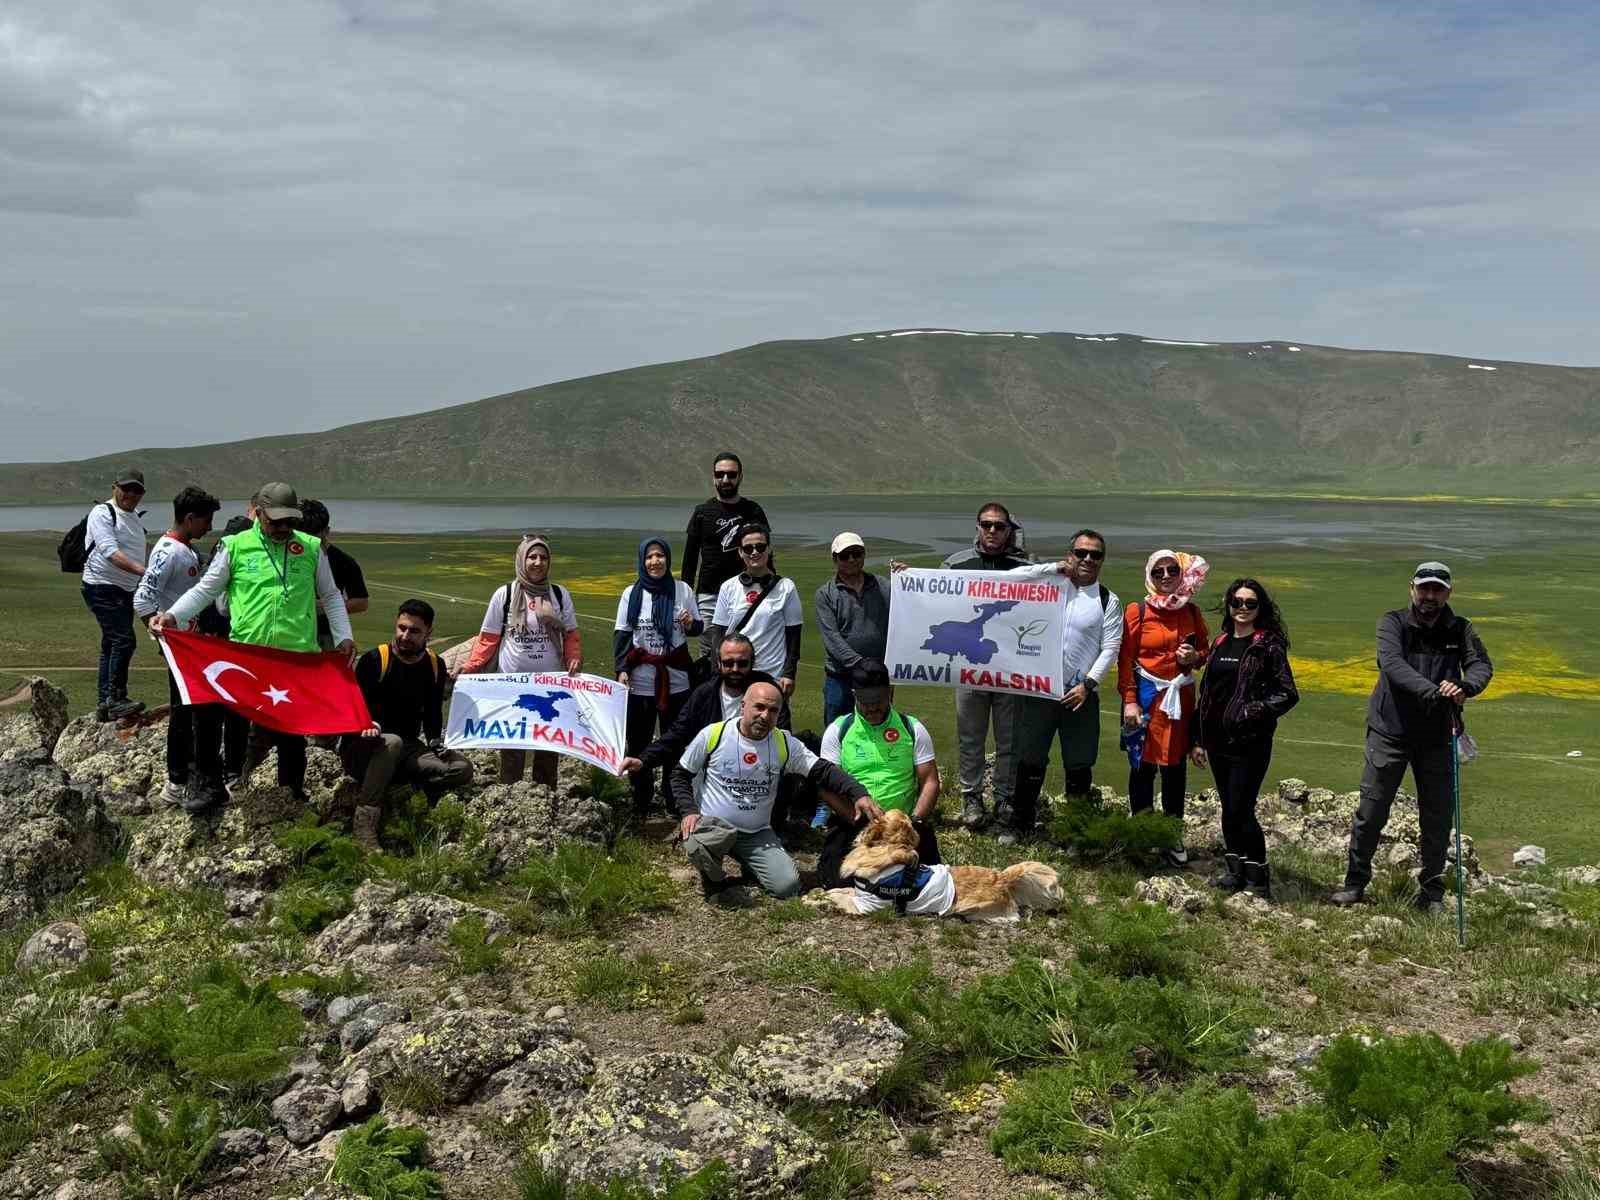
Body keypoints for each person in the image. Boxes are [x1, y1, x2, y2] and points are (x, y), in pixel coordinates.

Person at [152, 481, 354, 803]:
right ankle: (210, 784)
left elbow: (330, 595)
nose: (283, 528)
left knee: (292, 731)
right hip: (245, 653)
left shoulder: (311, 548)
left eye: (290, 521)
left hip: (295, 657)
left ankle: (290, 794)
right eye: (275, 521)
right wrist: (172, 616)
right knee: (213, 710)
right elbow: (206, 590)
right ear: (258, 514)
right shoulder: (234, 546)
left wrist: (344, 635)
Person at [1330, 562, 1493, 913]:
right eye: (1424, 589)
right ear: (1412, 589)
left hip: (1437, 738)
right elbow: (1391, 664)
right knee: (1371, 812)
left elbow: (1481, 665)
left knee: (1437, 818)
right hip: (1390, 732)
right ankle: (1355, 883)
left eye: (1437, 590)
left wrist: (1466, 686)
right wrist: (1435, 691)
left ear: (1448, 592)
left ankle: (1431, 893)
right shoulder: (1393, 623)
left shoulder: (1460, 629)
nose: (1430, 596)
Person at [661, 681, 872, 900]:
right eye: (759, 707)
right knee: (697, 844)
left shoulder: (784, 743)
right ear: (743, 706)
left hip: (756, 832)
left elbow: (823, 771)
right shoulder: (714, 734)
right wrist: (689, 811)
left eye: (773, 710)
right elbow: (680, 774)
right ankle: (715, 880)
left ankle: (751, 864)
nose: (765, 715)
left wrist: (858, 793)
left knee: (787, 887)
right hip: (715, 826)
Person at [1003, 530, 1123, 842]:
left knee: (1079, 763)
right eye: (1081, 552)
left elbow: (1110, 648)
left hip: (1080, 695)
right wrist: (1050, 569)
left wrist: (1088, 685)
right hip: (1039, 692)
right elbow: (1010, 579)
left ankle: (1076, 832)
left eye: (1095, 555)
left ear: (1102, 560)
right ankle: (1020, 824)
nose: (1087, 559)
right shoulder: (1047, 586)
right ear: (1069, 554)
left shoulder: (1108, 600)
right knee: (1030, 758)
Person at [1192, 578, 1298, 899]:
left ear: (1259, 608)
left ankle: (1258, 877)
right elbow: (1207, 693)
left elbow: (1287, 693)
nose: (1242, 608)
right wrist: (1197, 739)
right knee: (1228, 807)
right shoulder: (1221, 641)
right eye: (1237, 601)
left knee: (1242, 807)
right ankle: (1234, 871)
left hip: (1250, 742)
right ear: (1228, 604)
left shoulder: (1267, 644)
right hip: (1217, 741)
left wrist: (1252, 711)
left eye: (1250, 603)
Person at [344, 599, 473, 850]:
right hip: (365, 747)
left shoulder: (435, 665)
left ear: (428, 633)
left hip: (408, 749)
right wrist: (366, 724)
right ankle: (364, 826)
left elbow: (433, 712)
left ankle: (407, 792)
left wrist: (436, 741)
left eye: (414, 631)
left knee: (461, 768)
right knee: (392, 742)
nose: (405, 636)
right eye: (402, 628)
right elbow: (352, 706)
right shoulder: (374, 660)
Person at [457, 533, 582, 787]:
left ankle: (545, 794)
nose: (538, 563)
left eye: (543, 557)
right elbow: (488, 638)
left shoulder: (559, 595)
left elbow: (570, 634)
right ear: (521, 559)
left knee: (548, 743)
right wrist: (470, 667)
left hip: (550, 683)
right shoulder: (504, 595)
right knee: (513, 745)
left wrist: (574, 657)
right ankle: (509, 792)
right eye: (532, 557)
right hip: (511, 684)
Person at [132, 485, 224, 810]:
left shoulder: (184, 549)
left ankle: (185, 777)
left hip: (193, 644)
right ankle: (175, 781)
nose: (210, 527)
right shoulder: (168, 552)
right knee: (184, 713)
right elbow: (143, 598)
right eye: (206, 520)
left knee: (194, 711)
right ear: (189, 518)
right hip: (181, 646)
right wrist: (163, 639)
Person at [1118, 549, 1210, 864]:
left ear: (1181, 574)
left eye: (1173, 570)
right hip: (1144, 698)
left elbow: (1205, 652)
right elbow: (1126, 659)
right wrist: (1129, 700)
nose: (1167, 577)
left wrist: (1193, 658)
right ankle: (1143, 833)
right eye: (1159, 572)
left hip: (1179, 700)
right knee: (1141, 768)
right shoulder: (1137, 612)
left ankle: (1171, 835)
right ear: (1150, 576)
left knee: (1175, 769)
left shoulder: (1192, 613)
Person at [815, 660, 941, 889]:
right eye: (865, 702)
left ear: (890, 692)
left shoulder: (912, 728)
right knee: (837, 882)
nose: (872, 708)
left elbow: (930, 781)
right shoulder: (838, 730)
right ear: (854, 695)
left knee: (928, 883)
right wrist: (853, 818)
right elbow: (826, 785)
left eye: (879, 702)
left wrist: (914, 821)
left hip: (904, 825)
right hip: (854, 823)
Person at [942, 502, 1030, 829]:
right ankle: (972, 796)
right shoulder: (955, 564)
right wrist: (909, 578)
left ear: (1010, 530)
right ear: (977, 526)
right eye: (986, 524)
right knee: (970, 736)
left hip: (1010, 669)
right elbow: (931, 600)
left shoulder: (1027, 567)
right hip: (969, 667)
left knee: (1009, 739)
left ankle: (1004, 798)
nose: (992, 531)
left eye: (999, 526)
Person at [614, 537, 702, 817]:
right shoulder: (632, 593)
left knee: (674, 740)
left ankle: (673, 797)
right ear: (642, 561)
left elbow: (697, 627)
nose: (655, 561)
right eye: (649, 556)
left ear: (668, 559)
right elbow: (623, 633)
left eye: (660, 556)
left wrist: (690, 624)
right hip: (641, 681)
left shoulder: (682, 590)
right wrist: (622, 669)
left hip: (676, 679)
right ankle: (641, 797)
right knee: (638, 741)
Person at [629, 633, 777, 777]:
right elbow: (678, 733)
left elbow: (780, 735)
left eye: (742, 663)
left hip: (758, 773)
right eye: (728, 663)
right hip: (715, 777)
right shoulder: (704, 694)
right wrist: (643, 760)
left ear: (753, 662)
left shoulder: (769, 693)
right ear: (718, 663)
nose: (735, 669)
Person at [681, 453, 768, 659]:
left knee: (745, 651)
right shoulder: (702, 512)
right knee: (710, 654)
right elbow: (690, 559)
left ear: (740, 477)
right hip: (709, 595)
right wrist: (685, 597)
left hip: (746, 591)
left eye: (731, 474)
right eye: (720, 474)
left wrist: (769, 587)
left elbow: (765, 552)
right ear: (713, 477)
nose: (725, 479)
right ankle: (710, 691)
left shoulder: (753, 510)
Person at [80, 469, 149, 721]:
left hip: (123, 589)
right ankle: (117, 698)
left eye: (137, 490)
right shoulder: (102, 513)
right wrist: (145, 572)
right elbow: (110, 551)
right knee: (124, 641)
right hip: (102, 585)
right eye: (126, 488)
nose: (131, 494)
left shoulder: (135, 519)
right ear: (114, 487)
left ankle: (104, 703)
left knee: (111, 643)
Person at [708, 523, 802, 701]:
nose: (754, 552)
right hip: (735, 673)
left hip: (771, 674)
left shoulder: (786, 587)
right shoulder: (728, 587)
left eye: (760, 547)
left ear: (769, 549)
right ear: (740, 552)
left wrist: (789, 673)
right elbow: (718, 635)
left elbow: (794, 637)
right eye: (748, 548)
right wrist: (716, 671)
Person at [296, 500, 370, 651]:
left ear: (326, 531)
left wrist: (323, 606)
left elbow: (361, 602)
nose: (308, 541)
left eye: (313, 535)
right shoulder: (291, 556)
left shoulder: (344, 562)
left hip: (326, 635)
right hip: (294, 632)